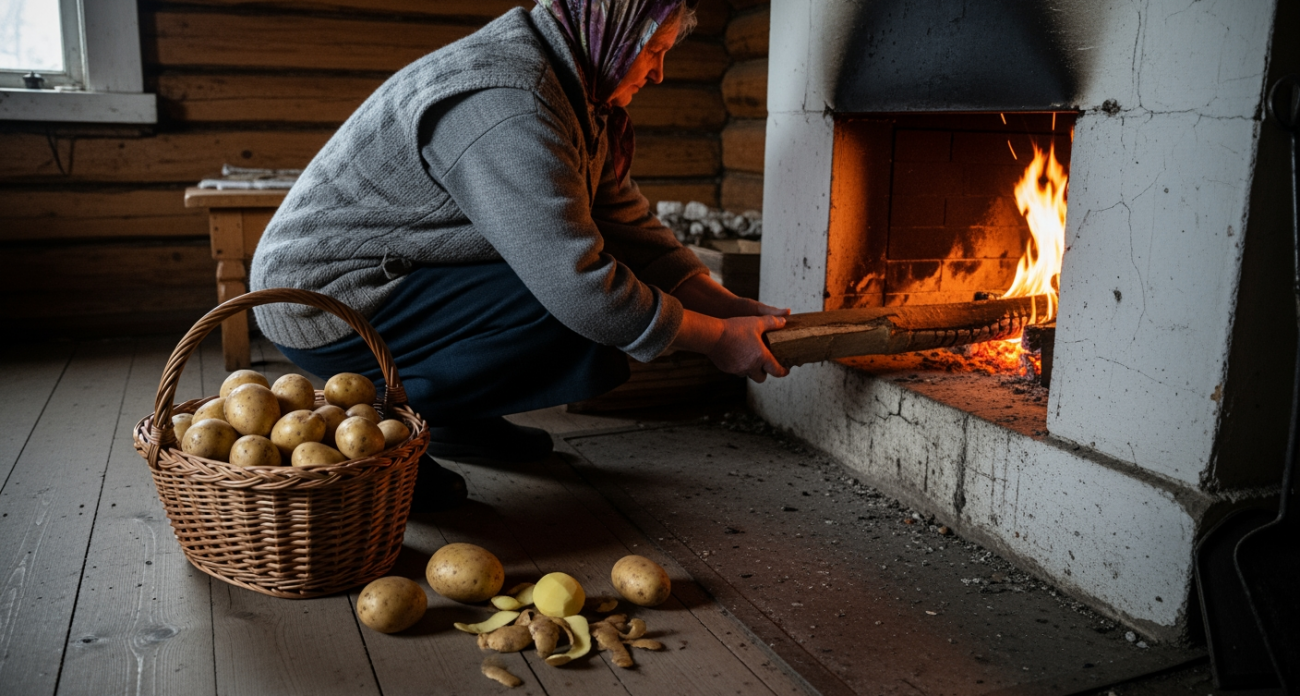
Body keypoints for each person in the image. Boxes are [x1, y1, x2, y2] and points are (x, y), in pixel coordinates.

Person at [248, 0, 790, 511]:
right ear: (616, 29)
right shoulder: (514, 100)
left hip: (392, 273)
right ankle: (385, 450)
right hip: (324, 300)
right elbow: (581, 290)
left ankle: (451, 416)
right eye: (654, 50)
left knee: (584, 284)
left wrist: (726, 306)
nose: (659, 73)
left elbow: (628, 225)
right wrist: (717, 341)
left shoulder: (575, 89)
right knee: (568, 306)